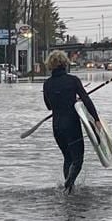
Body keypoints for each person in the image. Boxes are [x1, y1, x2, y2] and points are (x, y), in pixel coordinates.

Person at [42, 50, 101, 193]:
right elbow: (86, 100)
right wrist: (96, 120)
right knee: (78, 160)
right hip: (72, 126)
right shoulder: (73, 80)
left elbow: (49, 106)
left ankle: (69, 189)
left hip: (57, 127)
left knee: (67, 158)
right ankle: (69, 183)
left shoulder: (47, 84)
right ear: (65, 64)